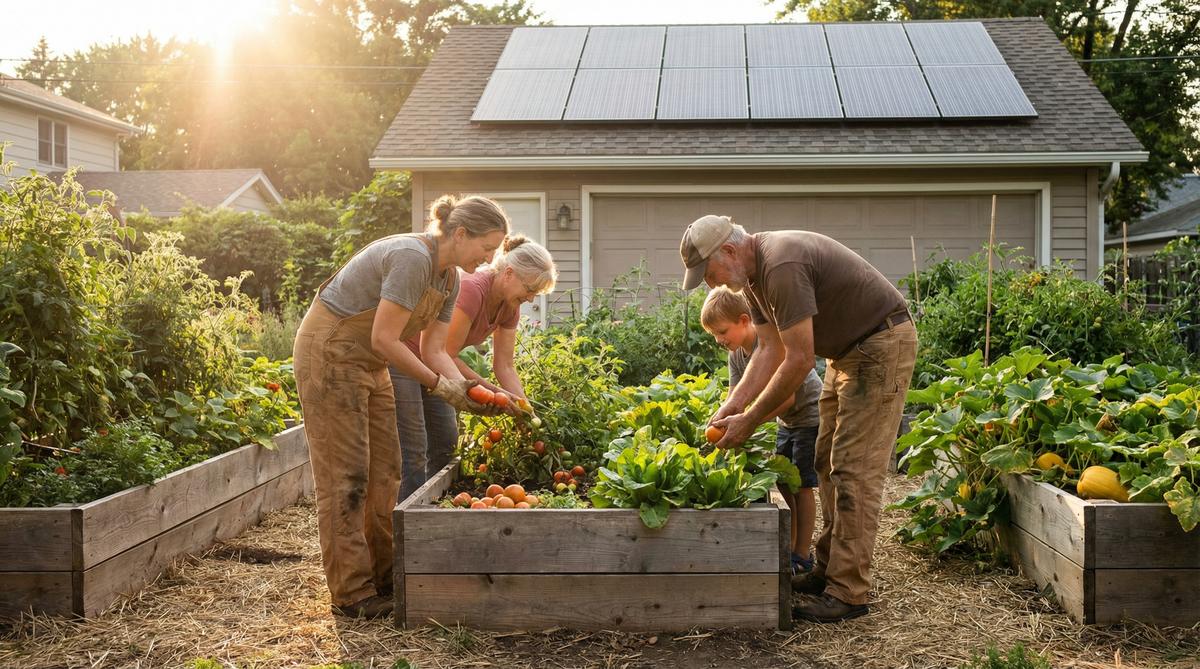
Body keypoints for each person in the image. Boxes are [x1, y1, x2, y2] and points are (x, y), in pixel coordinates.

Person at [679, 214, 917, 623]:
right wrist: (731, 407)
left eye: (710, 272)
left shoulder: (782, 265)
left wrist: (751, 420)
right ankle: (827, 569)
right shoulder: (752, 280)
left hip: (879, 345)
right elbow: (767, 350)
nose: (711, 283)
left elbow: (799, 358)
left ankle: (849, 592)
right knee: (824, 462)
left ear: (730, 251)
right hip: (846, 354)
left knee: (853, 471)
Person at [292, 194, 508, 619]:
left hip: (371, 366)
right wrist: (438, 386)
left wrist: (467, 389)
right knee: (347, 475)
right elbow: (384, 339)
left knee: (386, 471)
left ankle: (385, 577)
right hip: (330, 354)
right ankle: (351, 594)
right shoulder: (411, 258)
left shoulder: (450, 279)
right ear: (460, 233)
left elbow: (434, 349)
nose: (488, 260)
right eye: (487, 247)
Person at [393, 234, 557, 501]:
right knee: (414, 448)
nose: (530, 299)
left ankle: (433, 512)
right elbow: (444, 352)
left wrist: (525, 409)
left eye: (535, 294)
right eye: (529, 289)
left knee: (445, 444)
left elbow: (504, 365)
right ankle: (407, 524)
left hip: (437, 366)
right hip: (406, 357)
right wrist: (488, 389)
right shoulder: (471, 290)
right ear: (509, 274)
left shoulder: (509, 306)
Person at [701, 286, 821, 575]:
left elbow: (788, 398)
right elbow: (734, 397)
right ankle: (790, 546)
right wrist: (719, 419)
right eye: (714, 335)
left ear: (744, 320)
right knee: (784, 481)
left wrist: (749, 422)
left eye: (722, 331)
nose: (719, 340)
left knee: (802, 485)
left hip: (808, 413)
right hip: (785, 420)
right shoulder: (736, 356)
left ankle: (803, 553)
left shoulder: (771, 346)